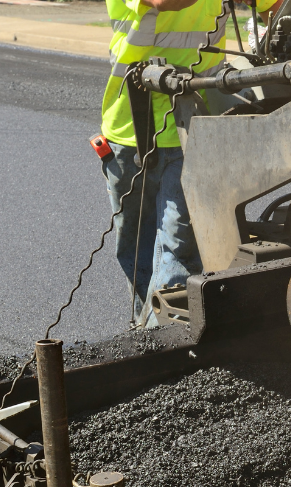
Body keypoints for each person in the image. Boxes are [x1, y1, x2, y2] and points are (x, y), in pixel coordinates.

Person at [101, 0, 228, 327]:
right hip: (130, 128)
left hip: (192, 129)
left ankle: (166, 339)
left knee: (177, 252)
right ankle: (145, 333)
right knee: (135, 250)